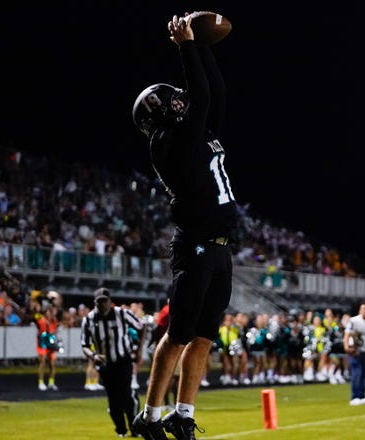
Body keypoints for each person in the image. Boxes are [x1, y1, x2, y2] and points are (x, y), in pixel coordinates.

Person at [131, 12, 239, 440]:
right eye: (168, 98)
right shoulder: (168, 143)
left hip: (220, 246)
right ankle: (150, 416)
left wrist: (204, 49)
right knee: (178, 335)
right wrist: (186, 46)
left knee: (204, 338)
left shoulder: (194, 131)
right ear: (156, 114)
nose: (178, 99)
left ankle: (183, 412)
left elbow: (215, 93)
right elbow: (200, 97)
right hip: (194, 244)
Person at [81, 288, 145, 437]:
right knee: (113, 400)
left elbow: (141, 327)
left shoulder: (122, 314)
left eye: (105, 301)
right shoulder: (89, 319)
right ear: (95, 303)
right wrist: (93, 355)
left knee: (126, 395)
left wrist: (138, 351)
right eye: (99, 302)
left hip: (123, 360)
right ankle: (121, 430)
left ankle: (134, 427)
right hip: (105, 364)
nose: (102, 305)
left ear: (110, 302)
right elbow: (84, 344)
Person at [35, 305, 61, 391]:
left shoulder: (54, 321)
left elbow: (54, 331)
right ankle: (41, 382)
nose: (51, 313)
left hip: (51, 343)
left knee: (52, 364)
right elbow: (43, 334)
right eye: (49, 312)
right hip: (43, 343)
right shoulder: (42, 321)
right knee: (42, 362)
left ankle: (51, 382)